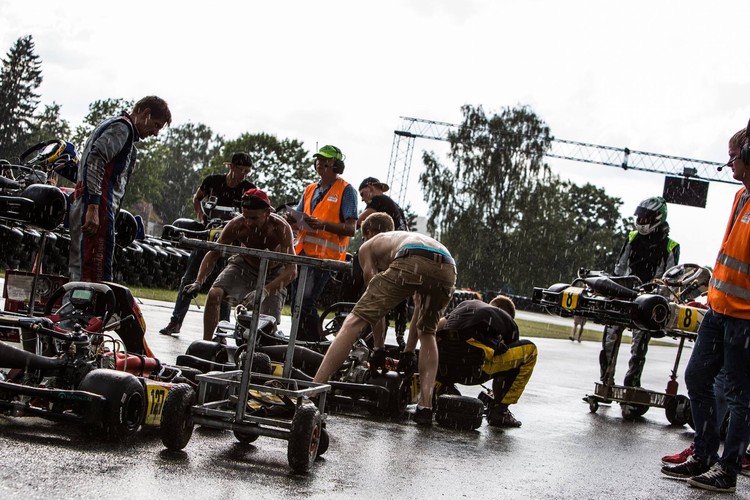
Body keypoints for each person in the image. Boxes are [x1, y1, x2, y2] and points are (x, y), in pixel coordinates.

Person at [660, 124, 750, 493]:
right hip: (719, 310)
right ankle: (704, 453)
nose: (730, 164)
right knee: (697, 377)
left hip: (746, 317)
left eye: (733, 157)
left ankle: (727, 469)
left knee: (740, 395)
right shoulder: (741, 197)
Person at [312, 230, 457, 426]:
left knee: (354, 320)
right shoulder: (398, 238)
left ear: (367, 233)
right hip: (447, 267)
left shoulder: (366, 248)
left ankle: (315, 389)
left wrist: (378, 348)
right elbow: (418, 311)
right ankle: (425, 407)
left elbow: (374, 309)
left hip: (412, 257)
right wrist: (408, 352)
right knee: (428, 332)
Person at [69, 96, 172, 282]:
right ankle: (85, 309)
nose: (156, 133)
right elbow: (96, 159)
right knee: (95, 272)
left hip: (89, 202)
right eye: (156, 125)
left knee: (83, 268)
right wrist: (93, 207)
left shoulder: (115, 126)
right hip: (96, 205)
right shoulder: (122, 128)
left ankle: (77, 306)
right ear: (145, 113)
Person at [182, 188, 297, 341]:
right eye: (245, 216)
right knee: (214, 294)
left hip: (273, 273)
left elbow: (292, 271)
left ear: (267, 213)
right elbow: (214, 252)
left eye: (254, 218)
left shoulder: (281, 228)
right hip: (243, 265)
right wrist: (198, 281)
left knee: (268, 323)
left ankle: (258, 351)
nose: (248, 222)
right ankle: (207, 343)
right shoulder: (236, 224)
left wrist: (265, 291)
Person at [159, 153, 255, 335]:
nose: (244, 175)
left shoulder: (248, 190)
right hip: (206, 239)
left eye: (247, 172)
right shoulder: (212, 182)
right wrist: (201, 216)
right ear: (232, 167)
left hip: (229, 244)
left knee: (223, 287)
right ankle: (176, 321)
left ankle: (222, 330)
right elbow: (197, 198)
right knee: (189, 279)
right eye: (241, 170)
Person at [598, 196, 680, 387]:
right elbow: (619, 267)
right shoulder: (632, 237)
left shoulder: (671, 246)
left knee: (639, 346)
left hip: (650, 298)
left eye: (646, 219)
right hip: (625, 292)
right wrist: (613, 288)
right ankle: (606, 380)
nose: (641, 222)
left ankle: (631, 384)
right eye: (640, 218)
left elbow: (671, 280)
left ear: (657, 218)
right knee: (610, 337)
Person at [432, 295, 537, 427]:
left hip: (445, 369)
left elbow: (434, 329)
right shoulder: (507, 320)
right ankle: (500, 411)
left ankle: (443, 389)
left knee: (439, 343)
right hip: (473, 368)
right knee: (529, 350)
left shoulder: (468, 305)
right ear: (507, 314)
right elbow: (508, 361)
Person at [288, 145, 357, 341]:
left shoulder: (347, 191)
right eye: (319, 158)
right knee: (296, 303)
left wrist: (323, 225)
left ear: (336, 164)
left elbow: (351, 229)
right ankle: (302, 343)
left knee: (306, 302)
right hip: (302, 253)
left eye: (326, 159)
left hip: (325, 257)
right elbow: (299, 218)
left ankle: (315, 343)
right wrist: (292, 218)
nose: (321, 162)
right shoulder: (310, 189)